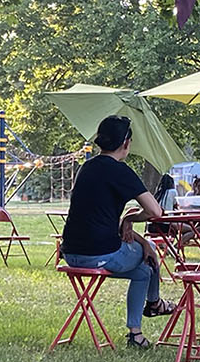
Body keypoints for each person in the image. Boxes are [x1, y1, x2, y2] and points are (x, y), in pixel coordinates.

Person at [60, 115, 172, 349]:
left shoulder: (86, 168)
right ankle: (154, 304)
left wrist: (126, 222)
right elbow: (156, 211)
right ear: (126, 143)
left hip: (70, 252)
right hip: (100, 254)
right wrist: (131, 219)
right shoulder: (121, 171)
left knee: (142, 273)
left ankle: (137, 334)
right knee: (150, 250)